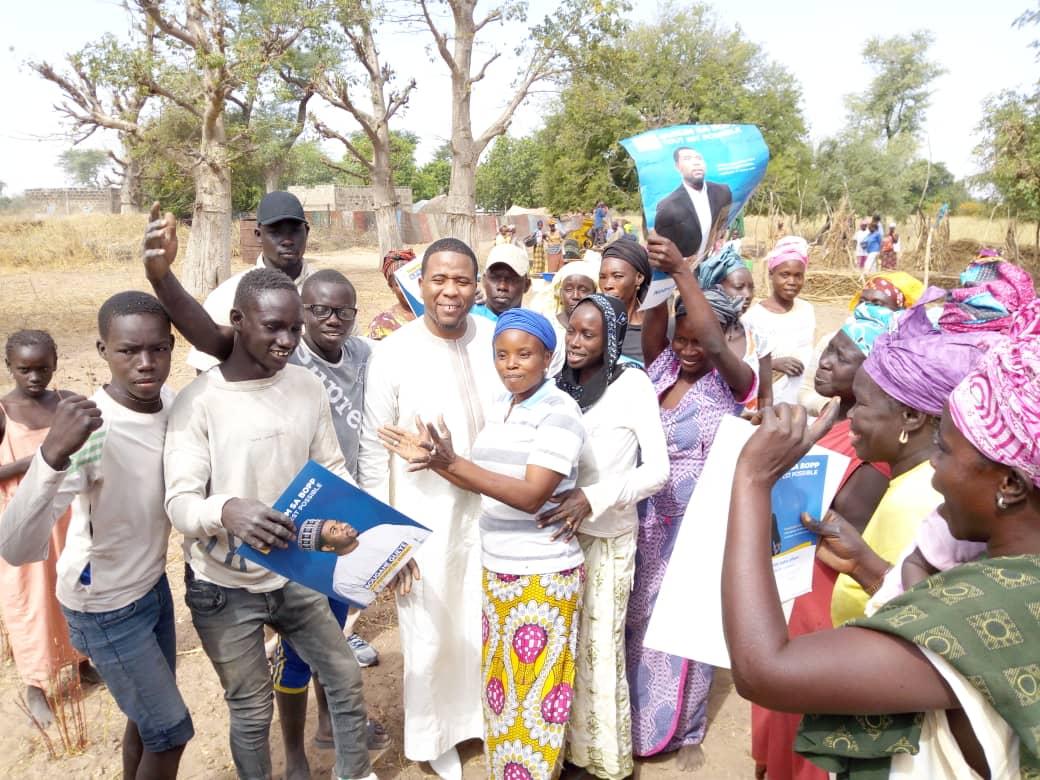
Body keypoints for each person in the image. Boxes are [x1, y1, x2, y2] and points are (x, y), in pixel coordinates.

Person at [723, 305, 1040, 779]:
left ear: (1010, 484)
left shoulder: (993, 608)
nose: (933, 471)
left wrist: (752, 480)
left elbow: (763, 670)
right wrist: (870, 568)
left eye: (945, 451)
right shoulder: (1007, 576)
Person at [164, 267, 376, 780]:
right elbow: (180, 503)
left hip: (295, 572)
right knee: (252, 711)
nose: (286, 341)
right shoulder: (200, 402)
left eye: (294, 329)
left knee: (345, 680)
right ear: (237, 321)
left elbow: (333, 469)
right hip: (224, 587)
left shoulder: (305, 387)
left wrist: (352, 525)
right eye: (273, 328)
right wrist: (226, 509)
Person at [378, 308, 587, 780]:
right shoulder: (505, 406)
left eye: (524, 354)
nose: (511, 364)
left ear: (548, 358)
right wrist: (436, 460)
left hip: (542, 576)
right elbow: (484, 481)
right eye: (501, 355)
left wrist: (451, 461)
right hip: (500, 570)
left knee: (535, 697)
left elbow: (532, 495)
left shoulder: (559, 411)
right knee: (504, 690)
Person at [0, 291, 192, 780]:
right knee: (170, 732)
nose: (146, 364)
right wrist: (51, 456)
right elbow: (16, 545)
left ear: (172, 347)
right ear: (103, 351)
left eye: (158, 349)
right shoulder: (90, 430)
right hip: (104, 606)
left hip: (152, 588)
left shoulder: (173, 403)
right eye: (129, 351)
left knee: (146, 724)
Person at [357, 238, 500, 779]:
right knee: (429, 627)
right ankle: (432, 736)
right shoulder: (392, 352)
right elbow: (373, 451)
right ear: (420, 285)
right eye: (439, 279)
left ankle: (479, 720)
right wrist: (385, 541)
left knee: (480, 616)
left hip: (489, 507)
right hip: (421, 516)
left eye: (462, 280)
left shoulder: (492, 338)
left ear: (476, 285)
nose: (450, 291)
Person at [750, 303, 896, 780]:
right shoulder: (834, 415)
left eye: (843, 356)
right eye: (829, 348)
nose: (826, 360)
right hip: (793, 579)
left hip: (821, 591)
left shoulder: (872, 454)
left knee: (802, 713)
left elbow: (838, 525)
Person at [629, 232, 756, 770]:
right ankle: (635, 726)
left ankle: (688, 730)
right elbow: (659, 318)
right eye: (681, 339)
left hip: (696, 525)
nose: (686, 348)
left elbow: (712, 338)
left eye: (697, 340)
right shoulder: (660, 367)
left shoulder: (734, 382)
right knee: (638, 620)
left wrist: (685, 270)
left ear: (725, 339)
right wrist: (664, 265)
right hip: (646, 520)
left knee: (688, 621)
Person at [542, 293, 670, 779]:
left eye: (588, 335)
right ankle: (565, 752)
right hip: (558, 540)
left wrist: (592, 499)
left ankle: (603, 761)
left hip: (608, 537)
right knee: (563, 651)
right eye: (571, 331)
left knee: (599, 650)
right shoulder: (557, 384)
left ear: (611, 338)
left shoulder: (631, 385)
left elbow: (656, 471)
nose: (575, 343)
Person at [828, 306, 999, 626]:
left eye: (862, 404)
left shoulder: (916, 499)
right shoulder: (910, 482)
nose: (851, 416)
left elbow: (908, 618)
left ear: (911, 417)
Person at [0, 330, 93, 727]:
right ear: (10, 368)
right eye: (25, 370)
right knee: (31, 599)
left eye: (42, 368)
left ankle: (84, 660)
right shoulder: (2, 411)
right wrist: (36, 461)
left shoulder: (67, 403)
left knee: (76, 586)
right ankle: (37, 683)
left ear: (55, 363)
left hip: (69, 514)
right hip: (23, 521)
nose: (35, 377)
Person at [187, 190, 313, 371]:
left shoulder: (324, 290)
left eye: (294, 231)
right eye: (275, 231)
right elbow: (206, 368)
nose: (287, 241)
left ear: (306, 232)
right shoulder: (228, 295)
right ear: (258, 235)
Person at [801, 271, 925, 413]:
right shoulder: (833, 340)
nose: (865, 308)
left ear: (902, 311)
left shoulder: (903, 358)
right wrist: (828, 408)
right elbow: (805, 389)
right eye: (862, 301)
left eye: (877, 304)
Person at [697, 245, 773, 410]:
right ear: (715, 288)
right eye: (739, 287)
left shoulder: (758, 336)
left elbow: (765, 397)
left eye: (751, 287)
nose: (747, 295)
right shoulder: (693, 335)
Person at [743, 236, 816, 406]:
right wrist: (773, 364)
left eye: (798, 276)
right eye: (785, 275)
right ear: (771, 274)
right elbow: (742, 366)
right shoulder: (753, 318)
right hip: (769, 400)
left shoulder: (806, 310)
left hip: (800, 399)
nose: (792, 282)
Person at [294, 518, 430, 607]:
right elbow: (375, 598)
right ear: (328, 547)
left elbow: (426, 538)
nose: (344, 525)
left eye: (338, 522)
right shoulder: (343, 581)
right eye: (334, 530)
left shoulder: (381, 530)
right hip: (414, 602)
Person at [653, 146, 733, 262]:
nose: (696, 163)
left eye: (699, 158)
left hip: (714, 266)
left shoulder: (723, 192)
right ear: (677, 167)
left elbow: (724, 223)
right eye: (687, 159)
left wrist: (720, 241)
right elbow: (662, 248)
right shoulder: (667, 206)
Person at [534, 258, 599, 376]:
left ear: (595, 293)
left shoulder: (600, 330)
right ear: (560, 293)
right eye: (569, 289)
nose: (575, 296)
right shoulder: (547, 327)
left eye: (583, 290)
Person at [598, 241, 652, 365]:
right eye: (602, 277)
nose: (607, 285)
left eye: (617, 276)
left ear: (639, 278)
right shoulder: (594, 323)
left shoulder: (655, 329)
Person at [471, 244, 531, 321]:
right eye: (495, 278)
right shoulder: (468, 319)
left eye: (512, 279)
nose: (502, 287)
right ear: (484, 281)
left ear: (527, 285)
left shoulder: (532, 328)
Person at [368, 248, 418, 340]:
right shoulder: (382, 325)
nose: (407, 288)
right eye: (399, 284)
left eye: (410, 280)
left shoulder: (437, 312)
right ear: (391, 287)